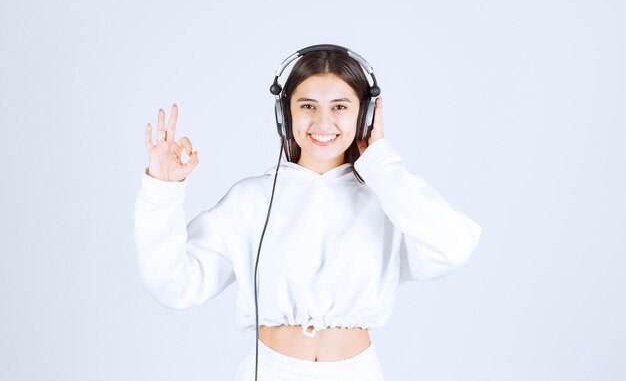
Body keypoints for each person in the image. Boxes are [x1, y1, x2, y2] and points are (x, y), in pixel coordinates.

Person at [134, 47, 482, 380]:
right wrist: (162, 190)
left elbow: (453, 246)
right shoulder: (250, 200)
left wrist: (382, 164)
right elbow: (173, 285)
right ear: (286, 114)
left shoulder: (388, 199)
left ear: (365, 115)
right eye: (308, 105)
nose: (323, 121)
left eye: (341, 106)